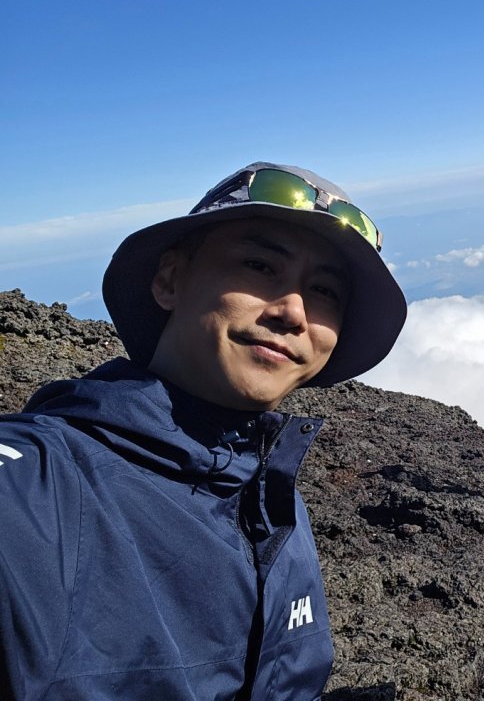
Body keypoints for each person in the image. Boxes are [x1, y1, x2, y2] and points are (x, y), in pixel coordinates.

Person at [0, 162, 407, 700]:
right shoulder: (38, 485)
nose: (294, 312)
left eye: (325, 291)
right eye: (260, 265)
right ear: (169, 280)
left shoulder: (269, 491)